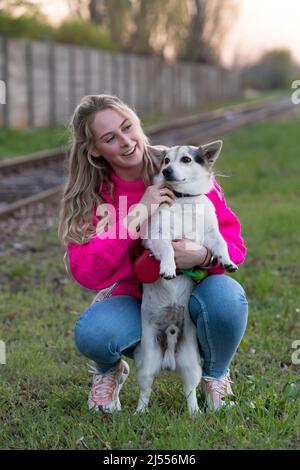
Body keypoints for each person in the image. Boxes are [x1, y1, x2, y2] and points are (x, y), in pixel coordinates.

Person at [58, 94, 248, 413]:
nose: (126, 142)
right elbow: (87, 271)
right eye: (109, 138)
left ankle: (215, 376)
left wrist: (202, 256)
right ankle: (110, 370)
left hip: (195, 289)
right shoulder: (94, 196)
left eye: (127, 127)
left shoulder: (182, 169)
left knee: (229, 299)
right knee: (94, 334)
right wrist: (138, 212)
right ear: (94, 149)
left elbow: (234, 245)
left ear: (137, 124)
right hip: (138, 299)